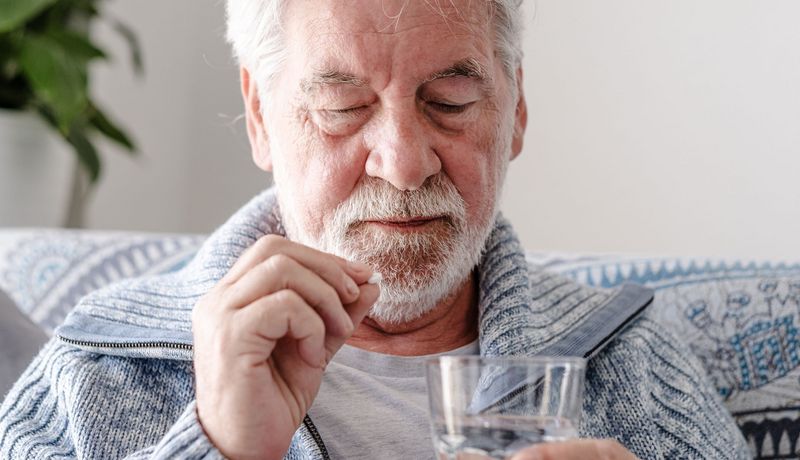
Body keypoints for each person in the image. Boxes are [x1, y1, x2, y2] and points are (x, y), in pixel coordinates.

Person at [0, 1, 751, 459]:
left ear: (515, 111)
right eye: (342, 107)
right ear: (261, 116)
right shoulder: (98, 362)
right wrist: (219, 449)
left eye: (451, 101)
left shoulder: (634, 361)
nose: (401, 164)